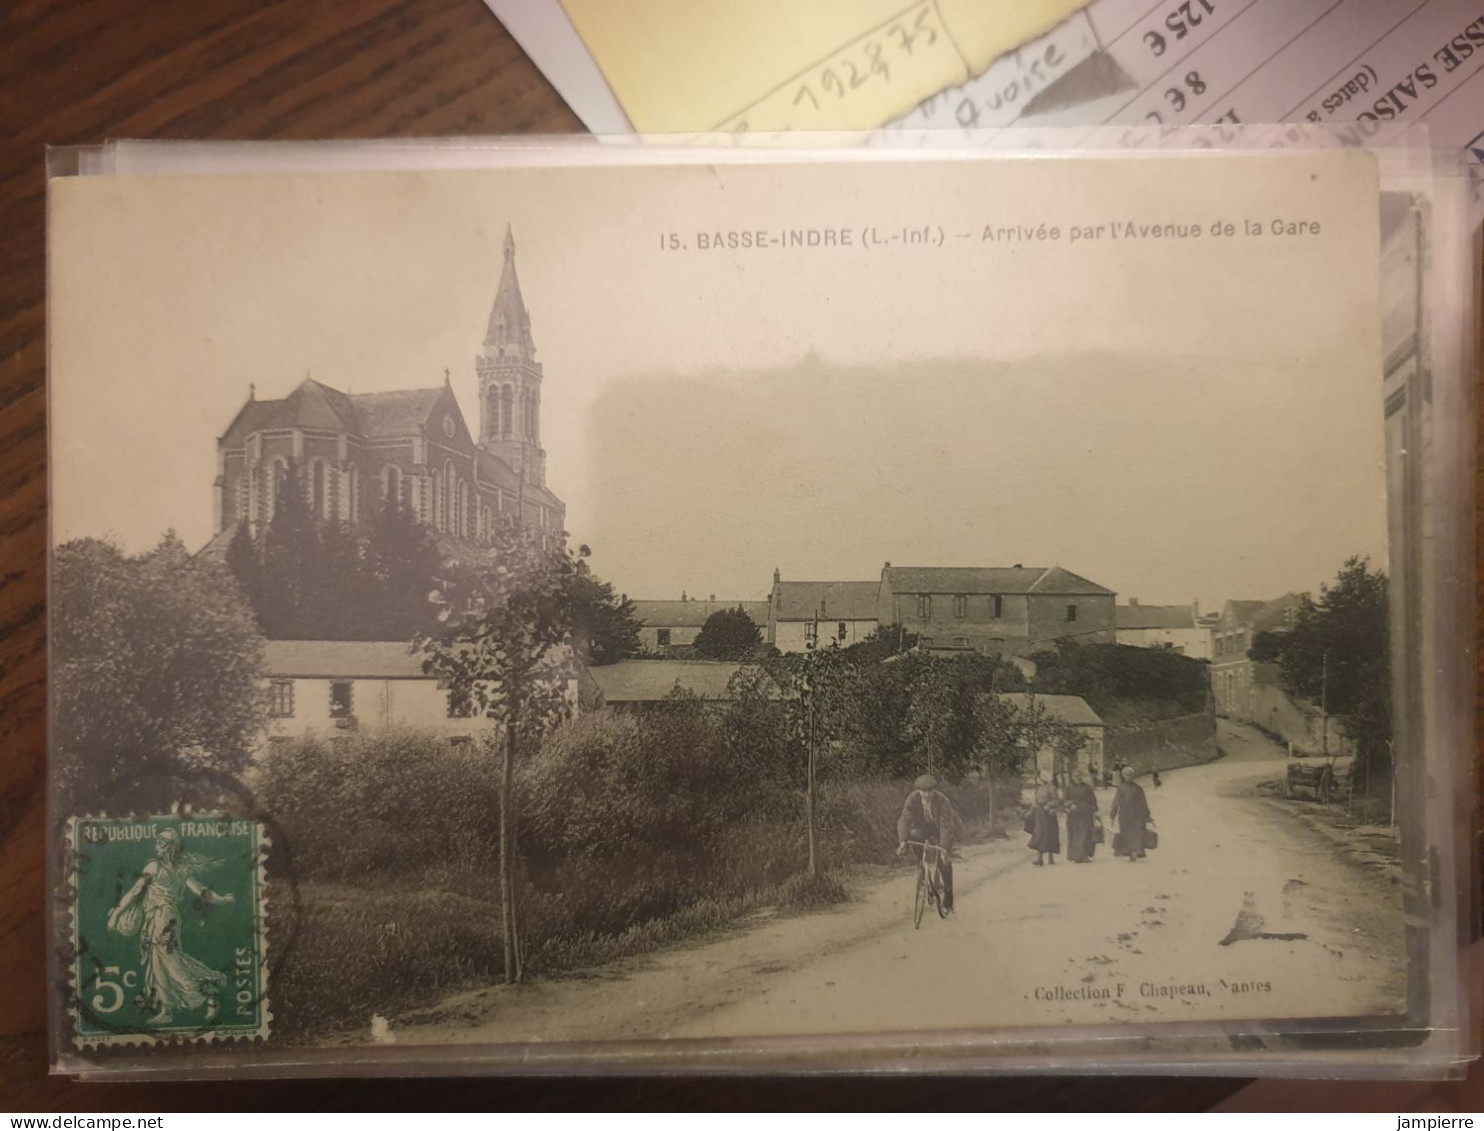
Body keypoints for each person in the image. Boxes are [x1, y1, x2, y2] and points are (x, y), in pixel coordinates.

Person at [107, 828, 234, 1024]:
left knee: (168, 958)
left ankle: (208, 988)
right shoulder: (180, 869)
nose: (157, 845)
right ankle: (167, 1010)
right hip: (162, 917)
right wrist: (222, 899)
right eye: (158, 842)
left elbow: (135, 891)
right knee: (159, 962)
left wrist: (116, 913)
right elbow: (202, 891)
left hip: (163, 917)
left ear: (168, 847)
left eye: (161, 843)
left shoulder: (154, 866)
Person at [896, 774, 962, 912]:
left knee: (944, 862)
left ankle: (948, 900)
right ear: (918, 790)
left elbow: (946, 827)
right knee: (913, 835)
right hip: (923, 827)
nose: (926, 794)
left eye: (929, 791)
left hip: (941, 828)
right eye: (923, 791)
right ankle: (921, 863)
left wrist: (944, 849)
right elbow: (904, 819)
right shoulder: (912, 799)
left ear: (934, 790)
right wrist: (902, 842)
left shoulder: (943, 801)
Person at [1110, 765, 1154, 862]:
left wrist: (1147, 815)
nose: (1129, 777)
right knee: (1127, 834)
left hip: (1137, 815)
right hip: (1125, 815)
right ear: (1123, 776)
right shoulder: (1121, 788)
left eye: (1130, 775)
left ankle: (1135, 851)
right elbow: (1116, 802)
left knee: (1138, 833)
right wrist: (1112, 814)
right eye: (1127, 775)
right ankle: (1130, 851)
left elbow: (1143, 802)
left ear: (1133, 776)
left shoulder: (1138, 788)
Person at [1064, 772, 1099, 863]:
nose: (1077, 778)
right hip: (1073, 815)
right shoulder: (1069, 787)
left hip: (1086, 814)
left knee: (1086, 835)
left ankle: (1085, 855)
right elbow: (1064, 800)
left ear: (1081, 777)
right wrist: (1069, 805)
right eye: (1075, 776)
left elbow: (1093, 800)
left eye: (1079, 776)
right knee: (1075, 835)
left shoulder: (1087, 787)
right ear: (1072, 777)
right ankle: (1076, 856)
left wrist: (1094, 810)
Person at [1026, 780, 1061, 866]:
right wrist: (1031, 811)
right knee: (1039, 834)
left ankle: (1050, 858)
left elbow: (1057, 800)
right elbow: (1035, 802)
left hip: (1049, 813)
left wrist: (1049, 805)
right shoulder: (1038, 789)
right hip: (1039, 813)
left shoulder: (1052, 788)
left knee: (1049, 834)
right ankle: (1039, 858)